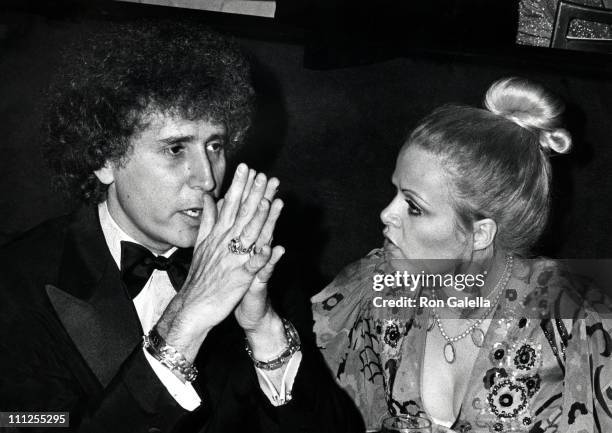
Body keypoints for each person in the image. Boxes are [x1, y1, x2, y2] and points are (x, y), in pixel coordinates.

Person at [0, 20, 362, 433]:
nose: (207, 178)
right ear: (103, 159)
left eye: (215, 146)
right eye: (175, 148)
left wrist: (264, 330)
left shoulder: (260, 265)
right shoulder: (16, 284)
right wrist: (184, 322)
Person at [312, 77, 612, 432]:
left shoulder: (575, 322)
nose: (386, 214)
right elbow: (304, 395)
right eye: (395, 192)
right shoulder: (378, 286)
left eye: (413, 206)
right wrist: (261, 321)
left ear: (480, 234)